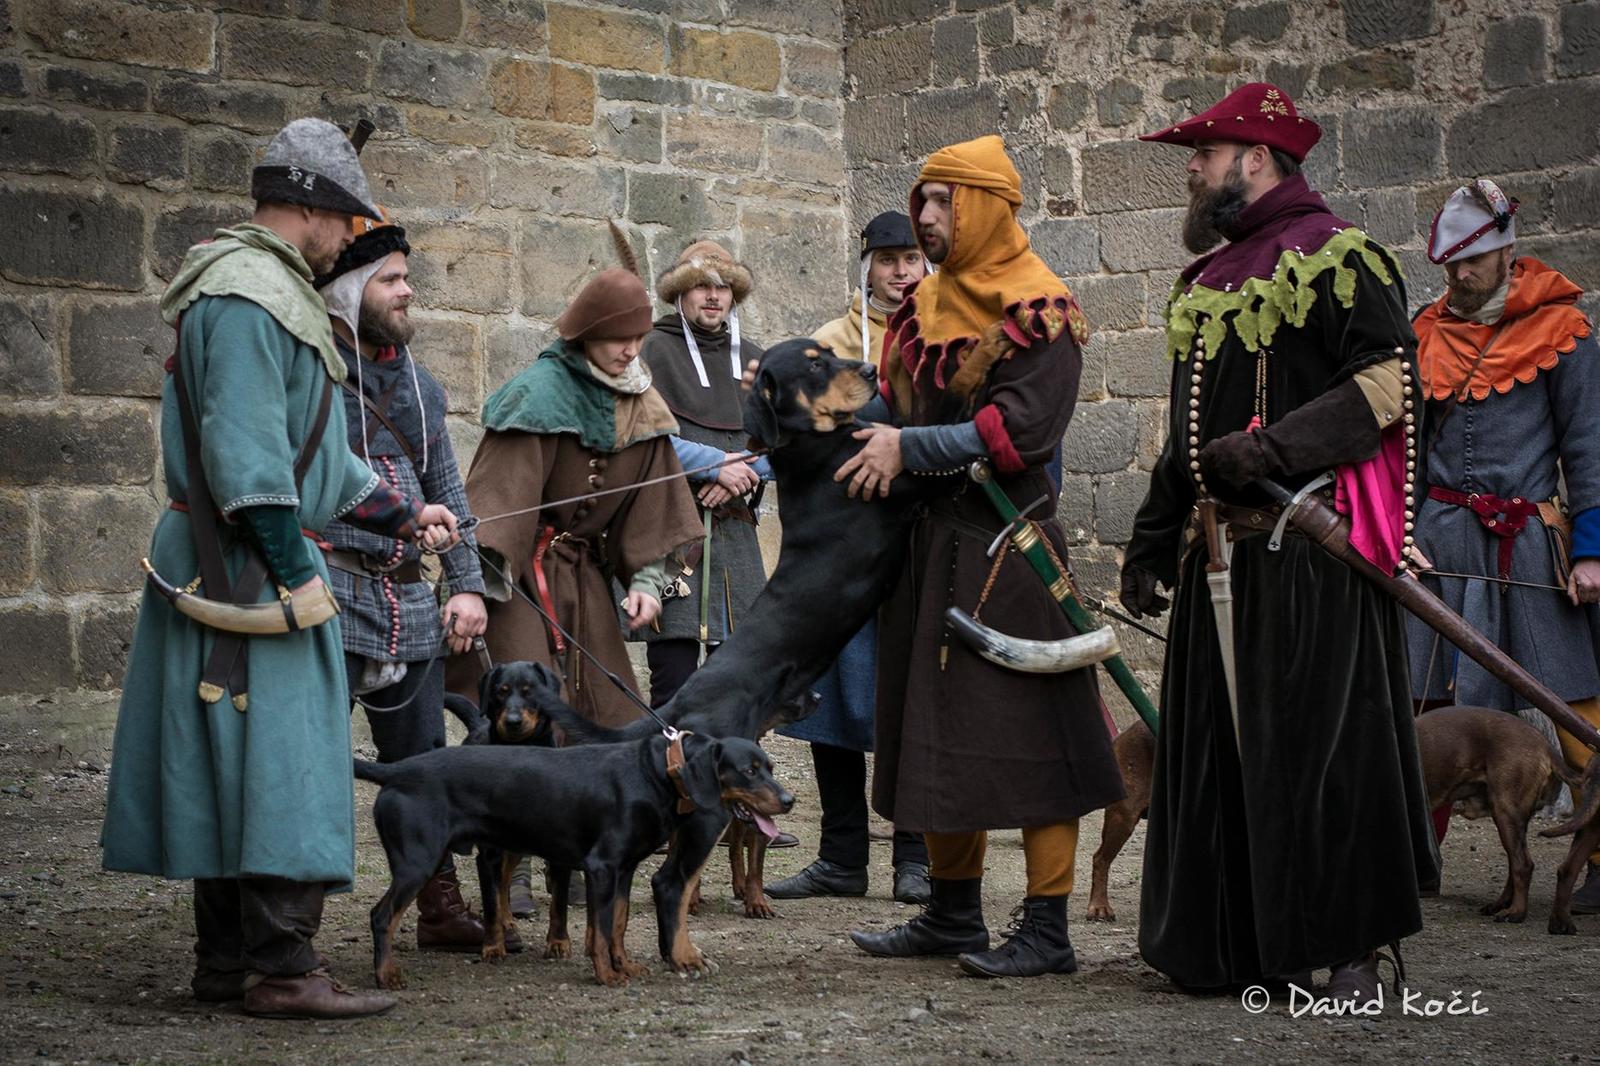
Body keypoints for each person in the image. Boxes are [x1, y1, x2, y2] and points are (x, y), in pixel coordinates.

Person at [100, 118, 460, 1019]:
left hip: (243, 552)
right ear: (307, 207)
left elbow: (318, 463)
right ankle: (281, 968)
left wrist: (400, 512)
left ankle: (230, 964)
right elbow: (251, 465)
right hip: (246, 563)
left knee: (239, 757)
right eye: (345, 220)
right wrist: (297, 577)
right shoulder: (249, 294)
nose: (351, 239)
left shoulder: (261, 289)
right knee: (282, 762)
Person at [1119, 83, 1440, 999]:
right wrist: (1148, 542)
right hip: (1216, 556)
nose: (1192, 168)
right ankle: (1231, 948)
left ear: (1255, 158)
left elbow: (1387, 389)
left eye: (1205, 152)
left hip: (1309, 552)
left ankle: (1343, 949)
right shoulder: (1207, 279)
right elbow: (1188, 430)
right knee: (1217, 754)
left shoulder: (1342, 257)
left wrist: (1270, 449)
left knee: (1319, 753)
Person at [841, 134, 1124, 979]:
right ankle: (953, 913)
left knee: (1038, 741)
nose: (925, 220)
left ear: (986, 207)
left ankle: (1047, 929)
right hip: (930, 551)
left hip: (1012, 550)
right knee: (937, 735)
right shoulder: (921, 311)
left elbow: (1020, 434)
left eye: (942, 203)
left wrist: (907, 446)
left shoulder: (1040, 311)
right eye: (921, 202)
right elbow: (890, 409)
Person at [1408, 178, 1600, 913]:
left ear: (1507, 251)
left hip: (1527, 543)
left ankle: (1598, 852)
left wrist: (1591, 549)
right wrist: (1400, 532)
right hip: (1439, 541)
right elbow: (1406, 452)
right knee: (1422, 693)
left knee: (1570, 696)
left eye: (1475, 259)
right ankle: (1417, 857)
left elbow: (1589, 448)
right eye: (1451, 263)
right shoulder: (1424, 334)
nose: (1460, 275)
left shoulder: (1563, 331)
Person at [313, 205, 487, 951]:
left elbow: (450, 486)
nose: (406, 291)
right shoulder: (310, 374)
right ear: (348, 292)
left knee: (424, 771)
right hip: (331, 593)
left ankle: (438, 907)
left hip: (407, 604)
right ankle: (296, 924)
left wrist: (468, 586)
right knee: (314, 765)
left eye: (407, 278)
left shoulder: (422, 388)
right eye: (389, 280)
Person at [769, 212, 932, 905]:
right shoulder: (829, 345)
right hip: (844, 544)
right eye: (889, 259)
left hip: (919, 542)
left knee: (914, 700)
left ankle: (915, 857)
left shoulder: (942, 335)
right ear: (866, 265)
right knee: (829, 700)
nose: (901, 271)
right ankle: (841, 857)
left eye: (913, 259)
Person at [637, 240, 771, 708]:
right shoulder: (651, 349)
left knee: (734, 687)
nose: (713, 296)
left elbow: (789, 445)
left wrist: (745, 471)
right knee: (672, 683)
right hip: (675, 532)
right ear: (681, 293)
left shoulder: (756, 358)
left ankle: (723, 779)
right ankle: (665, 776)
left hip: (737, 535)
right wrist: (714, 465)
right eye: (700, 286)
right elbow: (643, 438)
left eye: (723, 287)